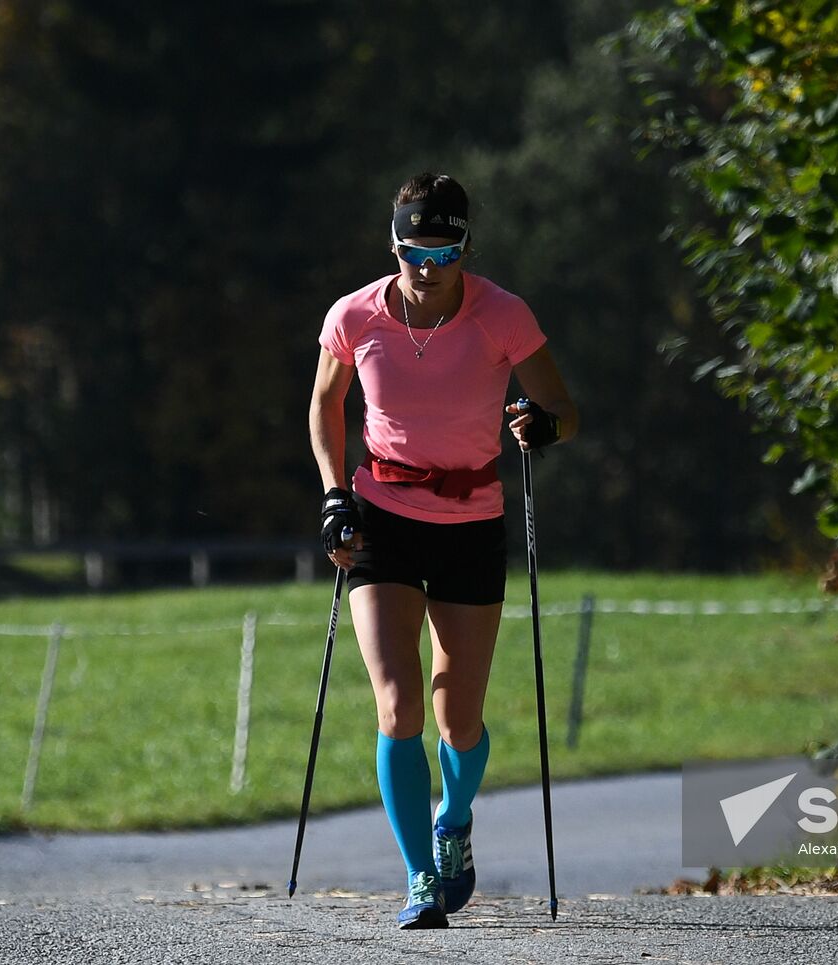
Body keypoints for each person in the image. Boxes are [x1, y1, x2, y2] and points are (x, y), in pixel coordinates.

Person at [308, 172, 578, 929]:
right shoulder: (355, 315)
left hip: (469, 517)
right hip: (381, 515)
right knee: (397, 705)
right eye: (414, 251)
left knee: (457, 715)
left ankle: (453, 822)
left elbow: (565, 408)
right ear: (393, 243)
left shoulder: (503, 315)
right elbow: (325, 404)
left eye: (445, 250)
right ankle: (420, 876)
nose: (428, 269)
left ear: (467, 245)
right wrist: (335, 495)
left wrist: (544, 427)